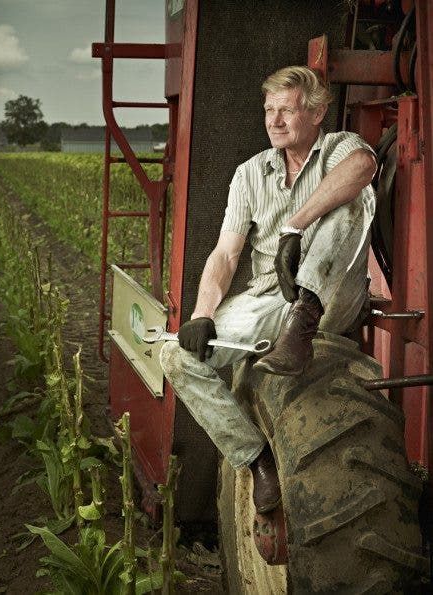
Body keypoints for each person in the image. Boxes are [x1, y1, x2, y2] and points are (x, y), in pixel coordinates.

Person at [160, 66, 376, 514]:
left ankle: (301, 327)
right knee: (176, 356)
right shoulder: (250, 173)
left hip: (333, 297)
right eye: (269, 111)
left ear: (317, 113)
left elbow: (363, 168)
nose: (274, 121)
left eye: (286, 111)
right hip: (271, 298)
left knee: (353, 195)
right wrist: (202, 313)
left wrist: (295, 226)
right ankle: (256, 460)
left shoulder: (341, 149)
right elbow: (225, 255)